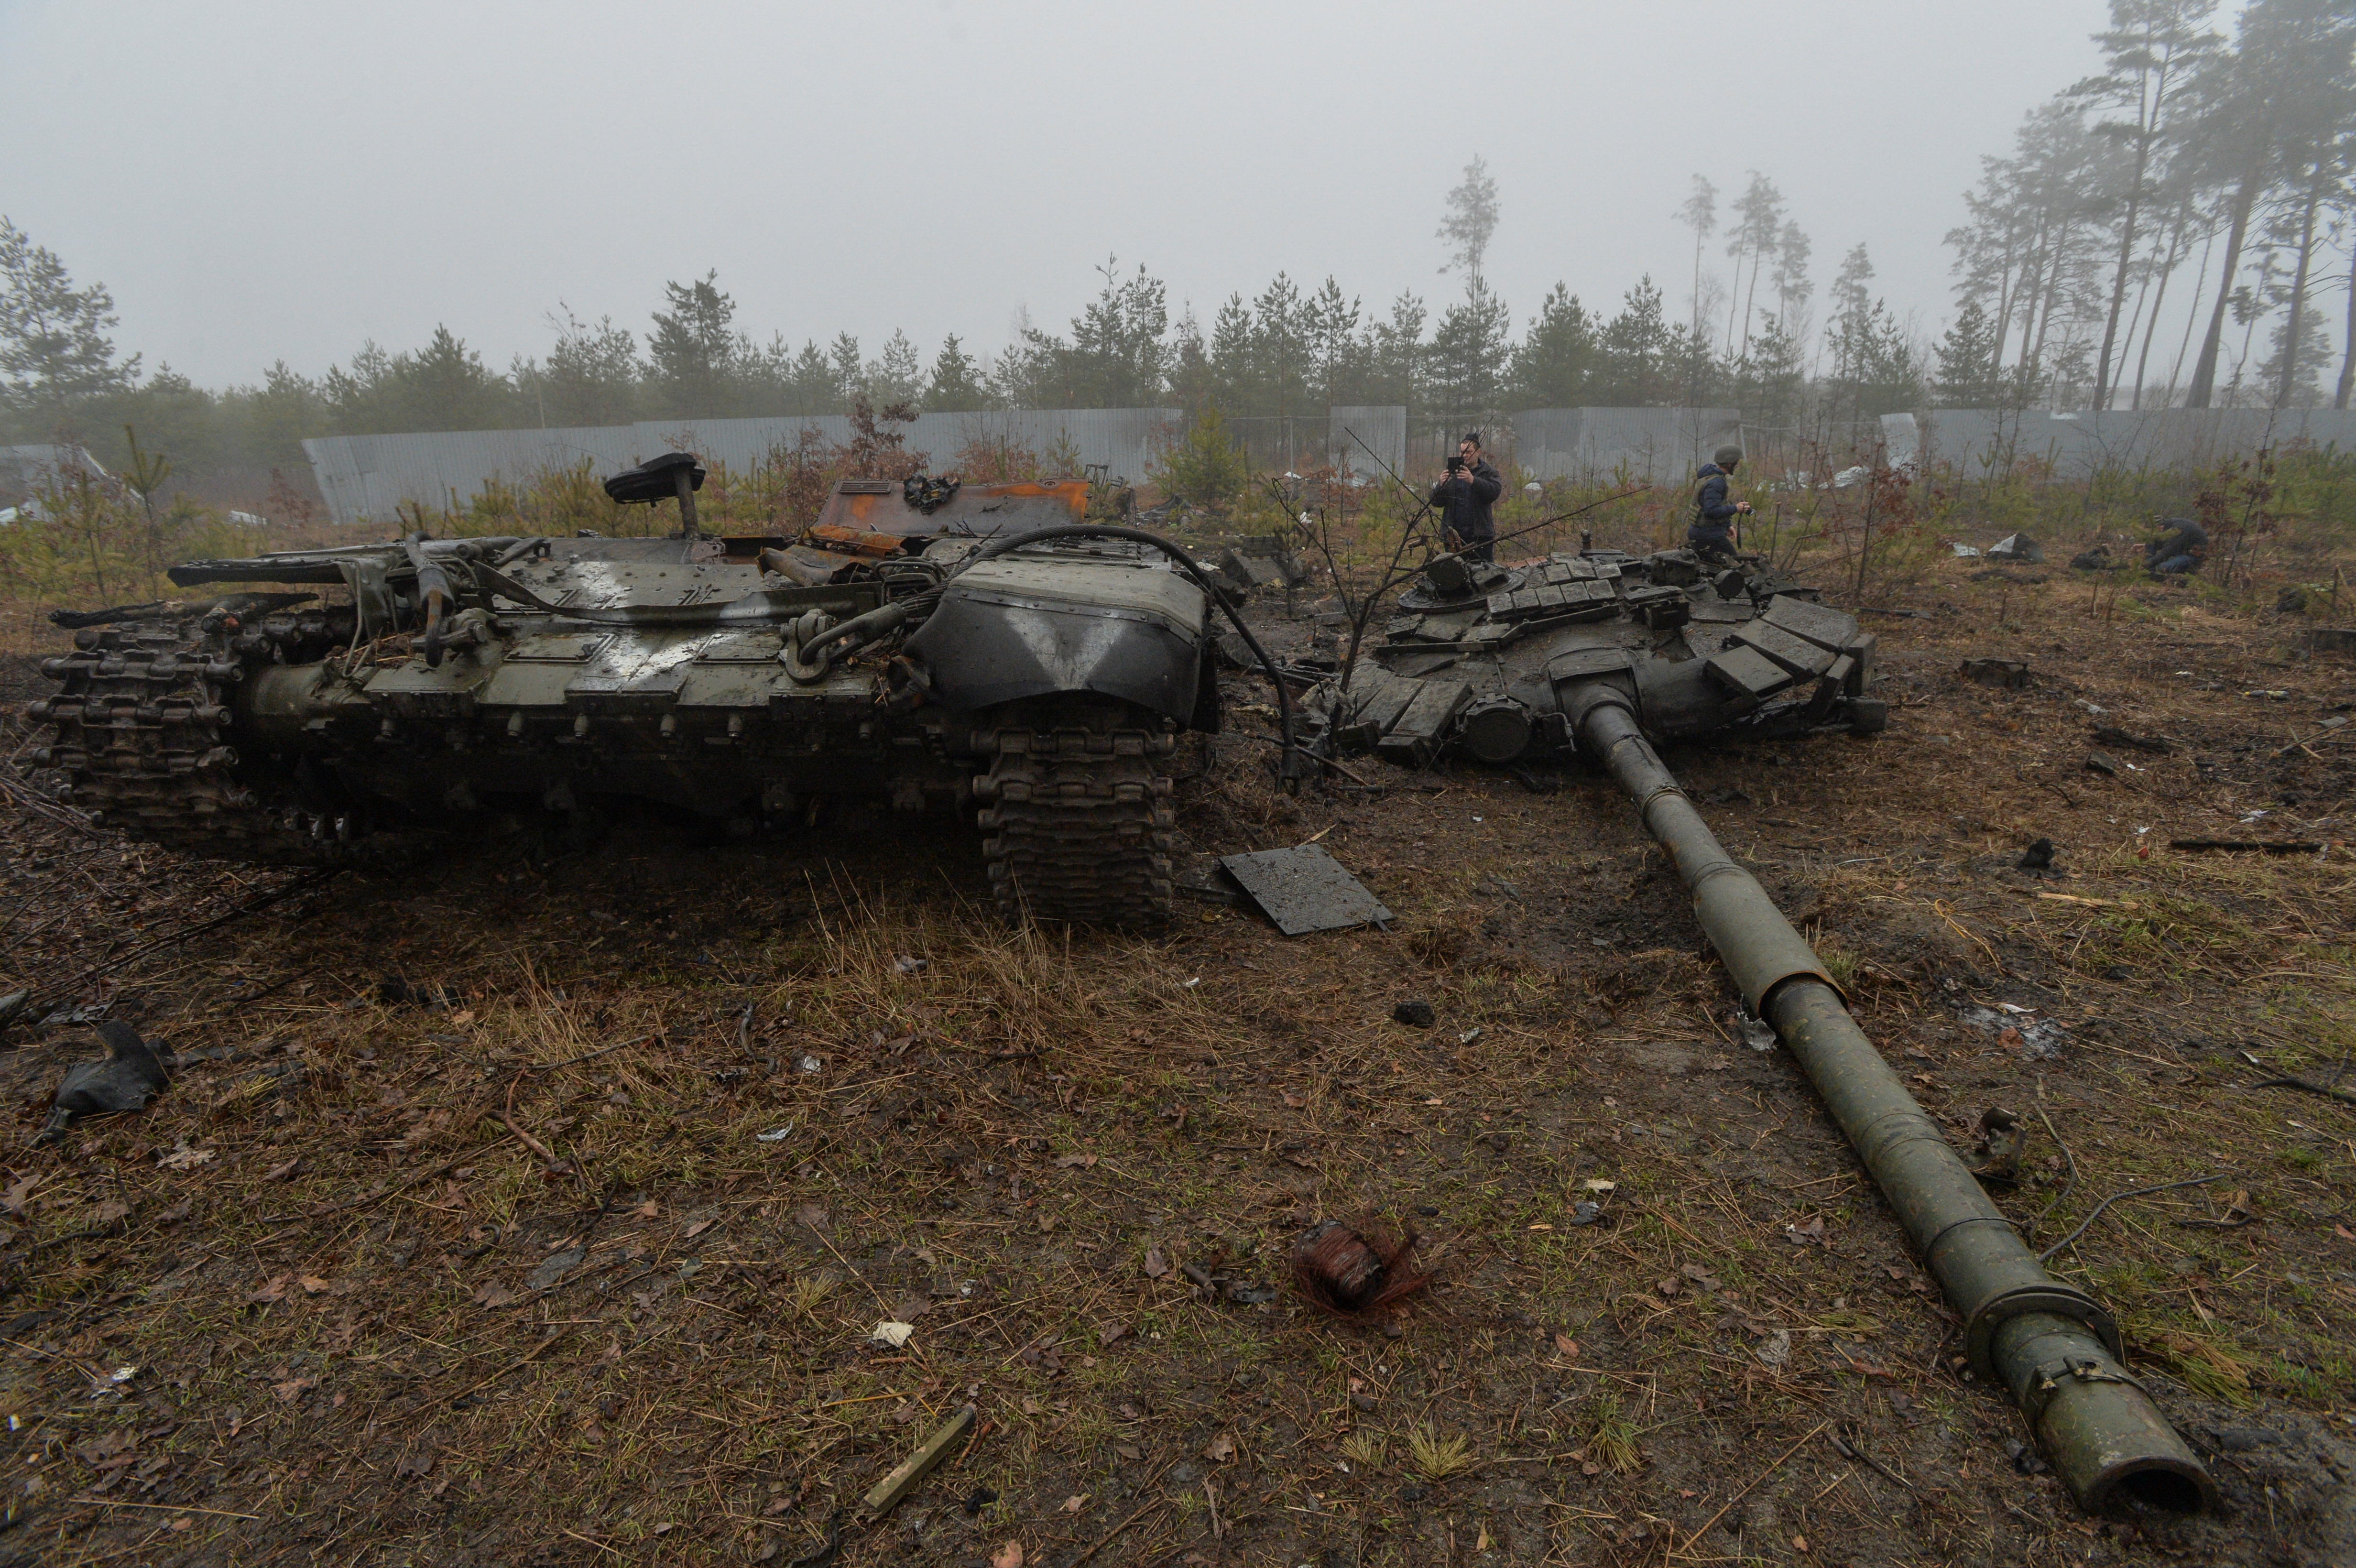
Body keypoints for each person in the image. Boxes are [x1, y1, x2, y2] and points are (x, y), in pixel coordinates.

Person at [1429, 433, 1502, 564]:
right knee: (1455, 577)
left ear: (1478, 452)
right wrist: (1440, 485)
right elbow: (1436, 502)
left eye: (1468, 452)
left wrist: (1474, 481)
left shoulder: (1488, 473)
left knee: (1484, 575)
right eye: (1462, 451)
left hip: (1480, 537)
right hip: (1453, 538)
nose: (1464, 455)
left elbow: (1494, 493)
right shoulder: (1452, 473)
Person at [1688, 445, 1752, 564]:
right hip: (1708, 535)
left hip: (1701, 532)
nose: (1738, 466)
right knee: (1736, 567)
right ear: (1730, 464)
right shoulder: (1716, 483)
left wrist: (1727, 526)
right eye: (1736, 462)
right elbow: (1711, 511)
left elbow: (1715, 506)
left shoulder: (1710, 477)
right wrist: (1736, 509)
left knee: (1708, 570)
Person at [2144, 516, 2208, 576]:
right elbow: (2169, 544)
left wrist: (2147, 564)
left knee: (2162, 568)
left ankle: (2187, 575)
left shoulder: (2178, 529)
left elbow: (2168, 551)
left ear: (2159, 527)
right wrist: (2145, 546)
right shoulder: (2171, 526)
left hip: (2192, 556)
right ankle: (2148, 571)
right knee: (2151, 542)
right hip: (2182, 552)